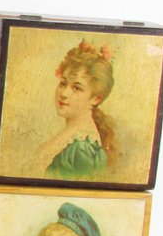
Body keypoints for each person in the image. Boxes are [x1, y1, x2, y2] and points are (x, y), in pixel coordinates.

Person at [36, 40, 116, 179]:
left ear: (95, 98)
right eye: (63, 83)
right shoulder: (74, 137)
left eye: (77, 88)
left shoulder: (82, 150)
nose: (64, 93)